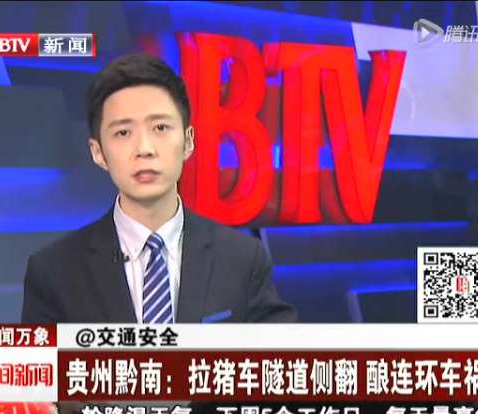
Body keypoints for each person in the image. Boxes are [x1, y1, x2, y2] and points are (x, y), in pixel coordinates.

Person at [21, 53, 297, 326]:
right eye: (123, 133)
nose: (144, 149)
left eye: (160, 127)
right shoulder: (53, 272)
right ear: (98, 152)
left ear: (188, 141)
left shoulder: (243, 259)